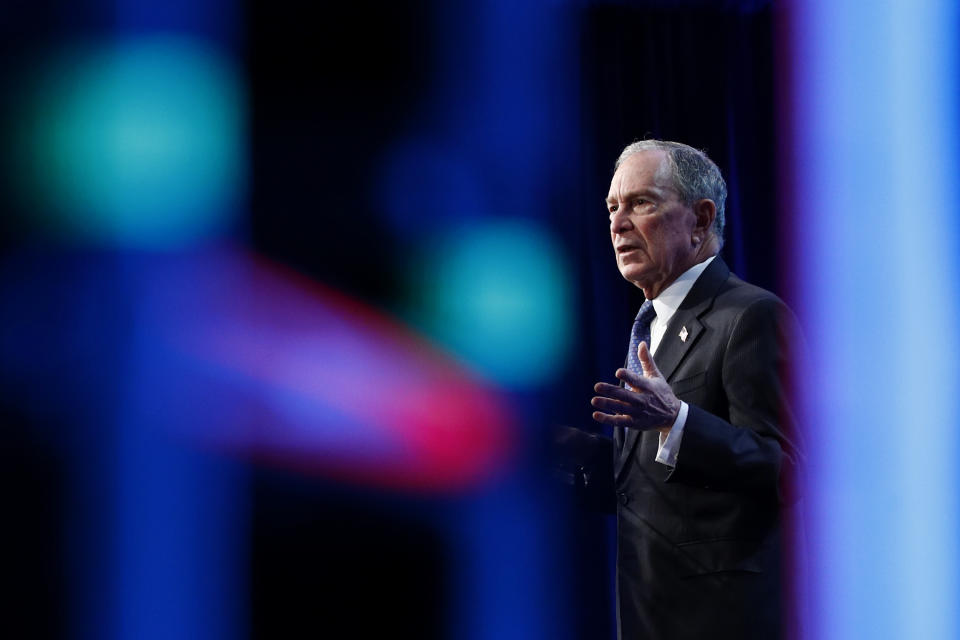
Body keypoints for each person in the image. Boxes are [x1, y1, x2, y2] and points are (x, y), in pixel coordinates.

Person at [577, 139, 803, 639]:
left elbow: (786, 467)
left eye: (641, 203)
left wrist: (677, 420)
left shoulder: (750, 315)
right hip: (648, 617)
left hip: (721, 621)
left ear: (701, 220)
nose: (617, 225)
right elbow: (649, 490)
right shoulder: (650, 325)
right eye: (613, 207)